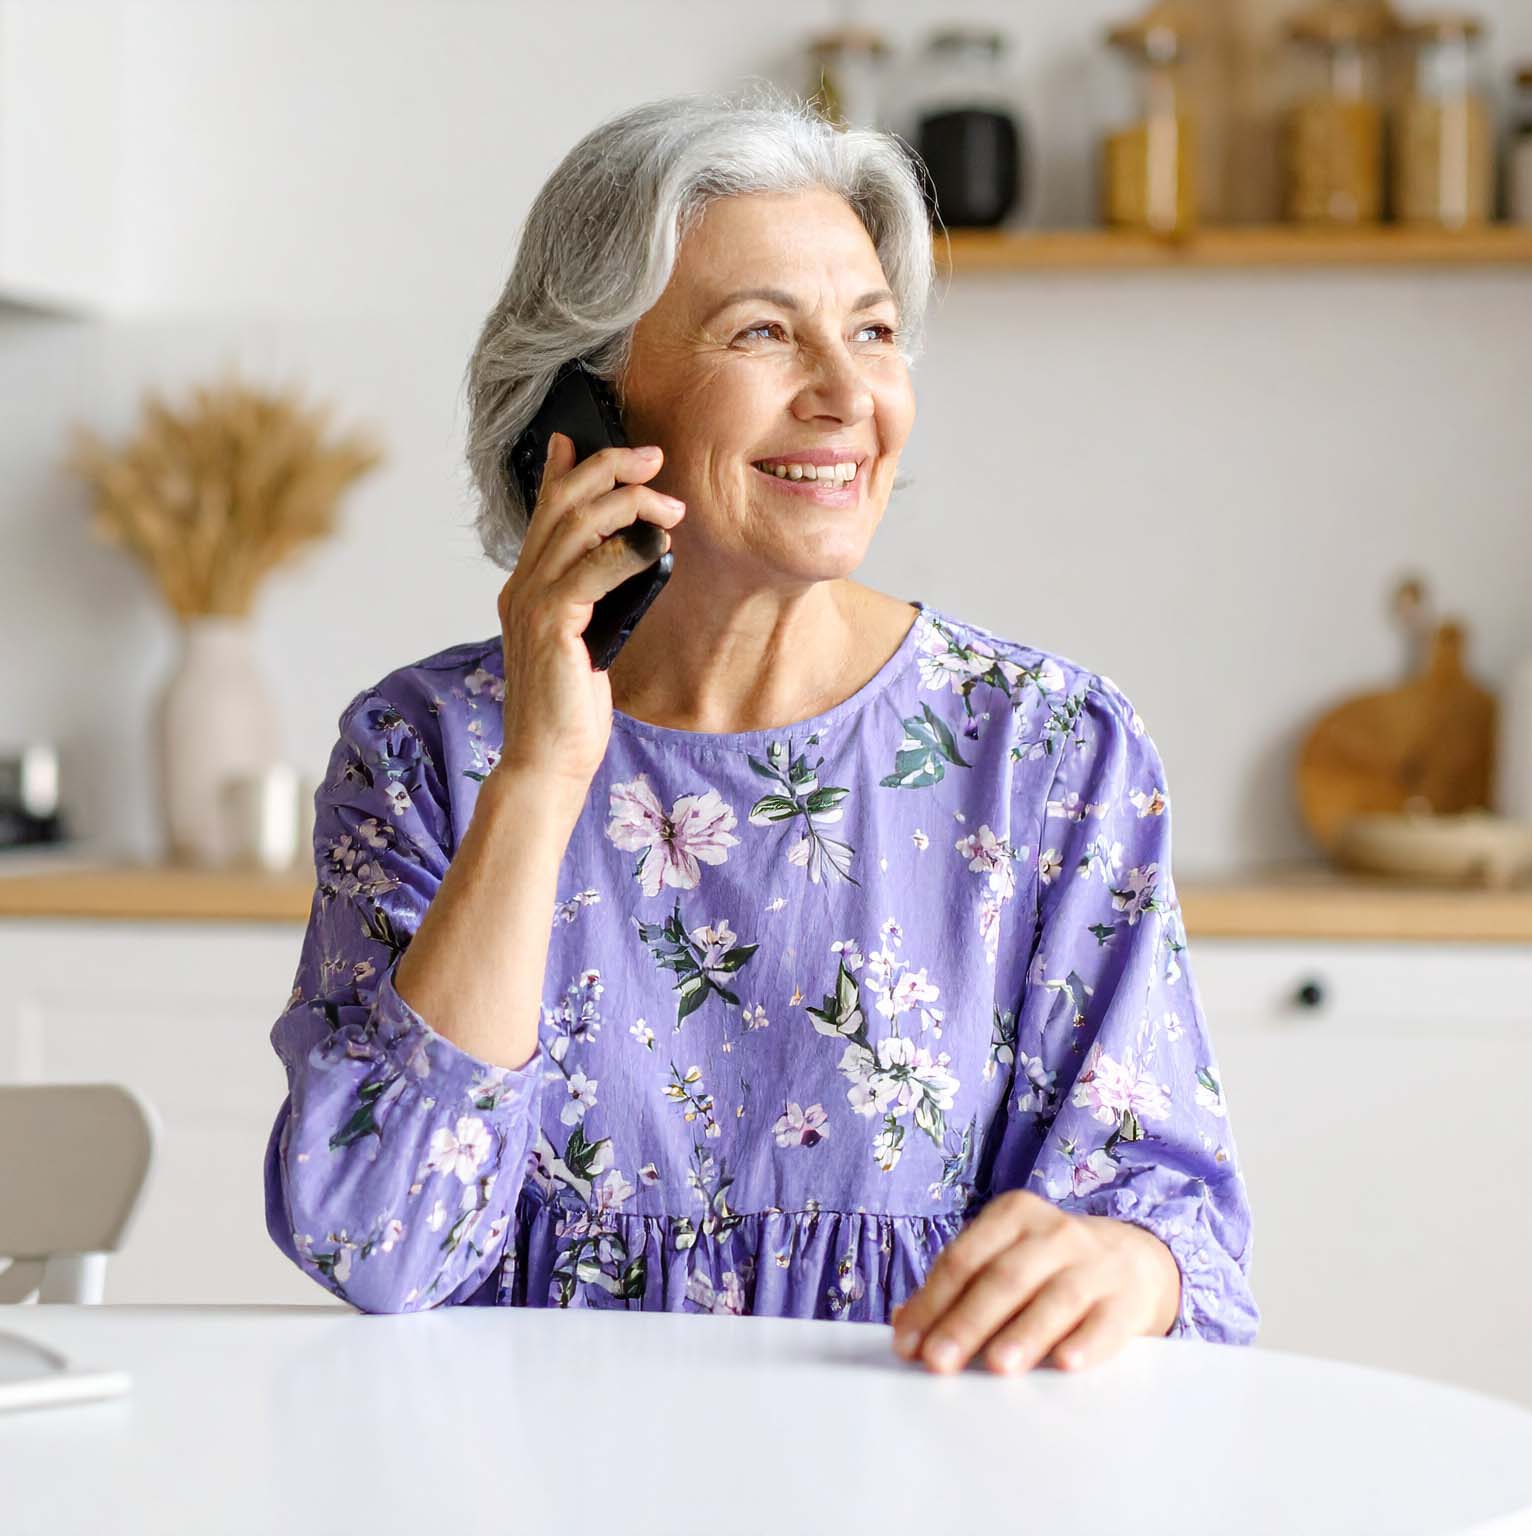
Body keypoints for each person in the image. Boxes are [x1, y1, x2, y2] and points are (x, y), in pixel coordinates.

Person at [264, 85, 1258, 1375]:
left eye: (875, 331)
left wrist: (1128, 1267)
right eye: (765, 334)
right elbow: (375, 1243)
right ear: (592, 413)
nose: (848, 395)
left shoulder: (1048, 754)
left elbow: (1187, 1239)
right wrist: (543, 772)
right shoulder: (426, 752)